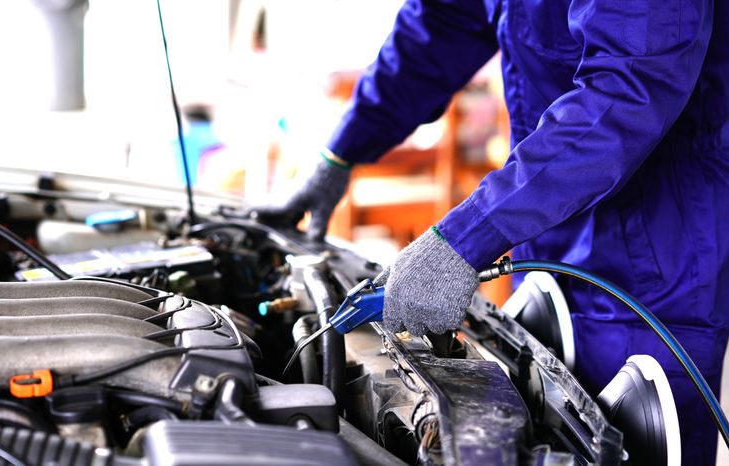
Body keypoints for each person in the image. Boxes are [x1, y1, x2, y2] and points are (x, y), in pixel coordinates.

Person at [256, 0, 729, 463]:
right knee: (549, 410)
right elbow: (443, 20)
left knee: (630, 442)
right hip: (545, 214)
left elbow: (631, 86)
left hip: (653, 241)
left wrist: (468, 235)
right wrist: (345, 148)